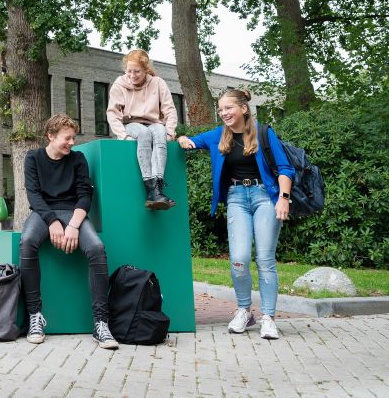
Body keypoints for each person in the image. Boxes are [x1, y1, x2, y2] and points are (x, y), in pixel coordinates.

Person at [177, 88, 294, 341]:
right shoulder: (218, 135)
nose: (223, 113)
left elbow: (285, 168)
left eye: (228, 108)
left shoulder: (264, 133)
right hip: (236, 198)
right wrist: (182, 139)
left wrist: (283, 198)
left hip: (265, 197)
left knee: (265, 259)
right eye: (220, 110)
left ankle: (268, 317)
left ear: (243, 108)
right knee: (239, 259)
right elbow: (191, 141)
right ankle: (244, 311)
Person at [20, 113, 118, 350]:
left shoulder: (78, 159)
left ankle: (101, 323)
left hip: (74, 213)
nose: (72, 143)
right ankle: (35, 316)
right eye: (67, 138)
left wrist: (73, 225)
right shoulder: (33, 158)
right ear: (51, 136)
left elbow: (85, 195)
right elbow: (34, 195)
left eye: (73, 138)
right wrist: (53, 222)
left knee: (96, 248)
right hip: (44, 213)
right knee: (27, 241)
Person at [106, 49, 180, 210]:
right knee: (143, 133)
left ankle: (157, 189)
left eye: (137, 71)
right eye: (129, 71)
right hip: (131, 124)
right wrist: (123, 136)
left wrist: (170, 132)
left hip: (153, 123)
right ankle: (151, 189)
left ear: (146, 70)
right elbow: (112, 113)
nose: (132, 75)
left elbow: (170, 110)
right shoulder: (119, 84)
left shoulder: (158, 82)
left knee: (160, 131)